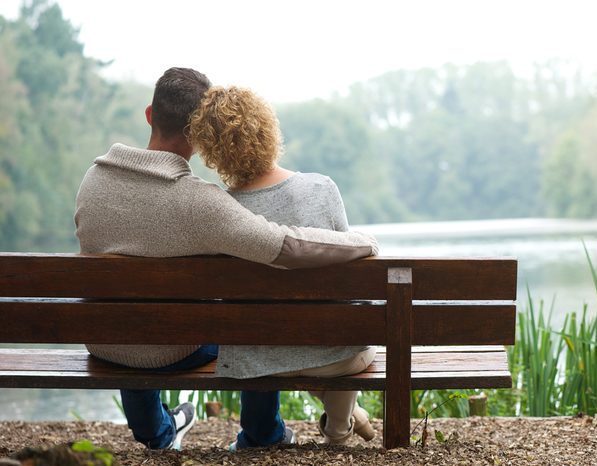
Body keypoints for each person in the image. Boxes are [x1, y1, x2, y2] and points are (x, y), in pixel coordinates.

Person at [74, 67, 378, 451]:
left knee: (131, 316)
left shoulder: (92, 181)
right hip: (175, 349)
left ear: (150, 114)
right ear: (201, 135)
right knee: (248, 320)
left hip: (103, 341)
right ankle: (265, 433)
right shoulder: (201, 202)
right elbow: (284, 246)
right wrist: (360, 242)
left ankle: (159, 433)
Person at [187, 85, 376, 447]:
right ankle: (339, 431)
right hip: (336, 357)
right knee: (344, 330)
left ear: (213, 152)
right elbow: (348, 277)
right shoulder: (321, 188)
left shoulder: (223, 211)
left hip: (258, 362)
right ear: (268, 129)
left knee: (292, 338)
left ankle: (345, 420)